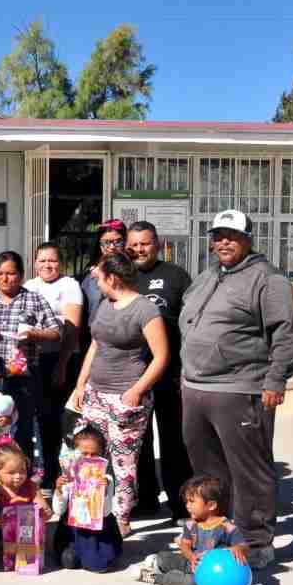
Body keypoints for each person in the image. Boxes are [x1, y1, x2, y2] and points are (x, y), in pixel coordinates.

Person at [179, 209, 293, 570]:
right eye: (217, 236)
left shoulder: (267, 279)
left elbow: (285, 333)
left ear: (248, 239)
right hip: (195, 387)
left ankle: (258, 541)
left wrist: (276, 380)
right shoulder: (206, 277)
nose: (223, 242)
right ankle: (221, 532)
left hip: (241, 388)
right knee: (209, 470)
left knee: (249, 469)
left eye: (231, 235)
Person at [71, 252, 168, 536]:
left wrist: (136, 391)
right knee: (89, 457)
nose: (94, 280)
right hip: (95, 394)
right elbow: (95, 345)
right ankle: (89, 511)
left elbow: (161, 356)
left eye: (99, 276)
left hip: (126, 398)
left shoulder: (145, 310)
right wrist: (81, 384)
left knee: (123, 464)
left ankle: (122, 517)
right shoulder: (104, 304)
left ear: (112, 278)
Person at [0, 251, 61, 470]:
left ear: (20, 275)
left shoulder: (33, 299)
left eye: (11, 274)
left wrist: (33, 334)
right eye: (0, 274)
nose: (5, 279)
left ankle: (22, 478)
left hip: (22, 377)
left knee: (21, 427)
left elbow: (56, 332)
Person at [126, 221, 193, 518]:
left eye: (145, 243)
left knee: (174, 441)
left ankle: (181, 504)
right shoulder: (122, 277)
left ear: (158, 244)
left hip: (170, 373)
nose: (140, 249)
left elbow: (191, 324)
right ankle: (145, 499)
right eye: (135, 244)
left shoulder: (176, 276)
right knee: (137, 440)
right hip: (133, 375)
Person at [23, 241, 83, 484]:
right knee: (41, 418)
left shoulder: (69, 285)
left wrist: (62, 364)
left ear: (61, 263)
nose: (47, 265)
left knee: (61, 420)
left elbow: (72, 329)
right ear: (35, 263)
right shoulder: (29, 286)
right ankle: (46, 473)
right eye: (43, 260)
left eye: (53, 260)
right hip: (34, 360)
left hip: (61, 358)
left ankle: (63, 474)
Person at [130, 475, 249, 585]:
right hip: (190, 561)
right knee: (164, 558)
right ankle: (159, 562)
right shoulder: (191, 524)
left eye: (192, 502)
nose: (187, 506)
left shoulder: (226, 526)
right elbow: (184, 545)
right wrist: (191, 556)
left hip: (209, 573)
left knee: (192, 584)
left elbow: (244, 545)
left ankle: (156, 578)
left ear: (211, 505)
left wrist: (238, 548)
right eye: (186, 501)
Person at [50, 426, 123, 573]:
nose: (89, 459)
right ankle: (75, 551)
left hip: (96, 532)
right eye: (84, 454)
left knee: (99, 565)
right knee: (68, 561)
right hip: (72, 530)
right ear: (75, 453)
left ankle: (100, 551)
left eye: (94, 454)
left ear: (102, 454)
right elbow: (58, 510)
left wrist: (104, 491)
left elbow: (105, 512)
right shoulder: (69, 477)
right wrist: (58, 490)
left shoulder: (106, 479)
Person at [0, 442, 53, 572]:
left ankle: (27, 560)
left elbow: (40, 504)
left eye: (22, 471)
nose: (18, 476)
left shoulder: (30, 486)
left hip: (26, 530)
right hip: (2, 529)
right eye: (11, 472)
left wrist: (45, 510)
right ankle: (6, 557)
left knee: (32, 534)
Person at [79, 220, 126, 349]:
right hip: (92, 338)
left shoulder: (133, 271)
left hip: (124, 336)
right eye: (107, 242)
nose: (112, 247)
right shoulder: (89, 275)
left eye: (118, 242)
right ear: (99, 245)